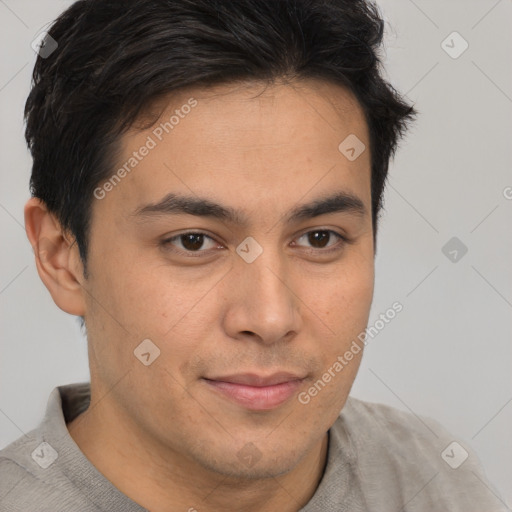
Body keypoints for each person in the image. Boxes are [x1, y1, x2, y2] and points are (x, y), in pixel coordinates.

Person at [0, 0, 507, 511]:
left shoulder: (436, 480)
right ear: (61, 257)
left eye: (319, 238)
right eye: (193, 241)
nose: (270, 318)